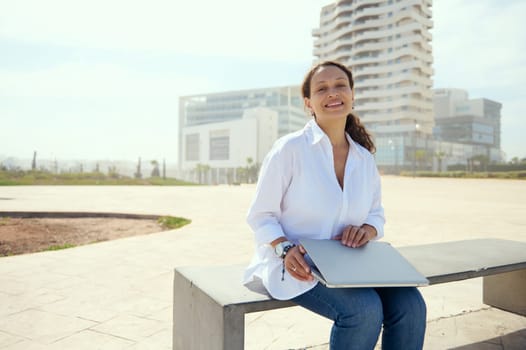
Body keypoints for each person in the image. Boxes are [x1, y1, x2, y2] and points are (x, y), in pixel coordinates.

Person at [243, 61, 426, 350]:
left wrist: (367, 229)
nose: (333, 93)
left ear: (352, 95)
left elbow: (376, 214)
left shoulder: (363, 158)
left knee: (411, 305)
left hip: (350, 263)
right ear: (309, 103)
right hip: (298, 264)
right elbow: (261, 215)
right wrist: (284, 249)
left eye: (340, 85)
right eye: (322, 89)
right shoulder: (289, 149)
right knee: (364, 311)